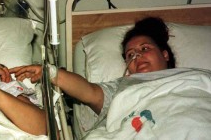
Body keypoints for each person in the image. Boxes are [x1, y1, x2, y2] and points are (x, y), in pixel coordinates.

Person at [9, 17, 176, 124]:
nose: (137, 56)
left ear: (165, 54)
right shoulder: (123, 87)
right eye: (130, 54)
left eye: (145, 49)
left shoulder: (196, 76)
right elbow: (88, 91)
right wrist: (50, 72)